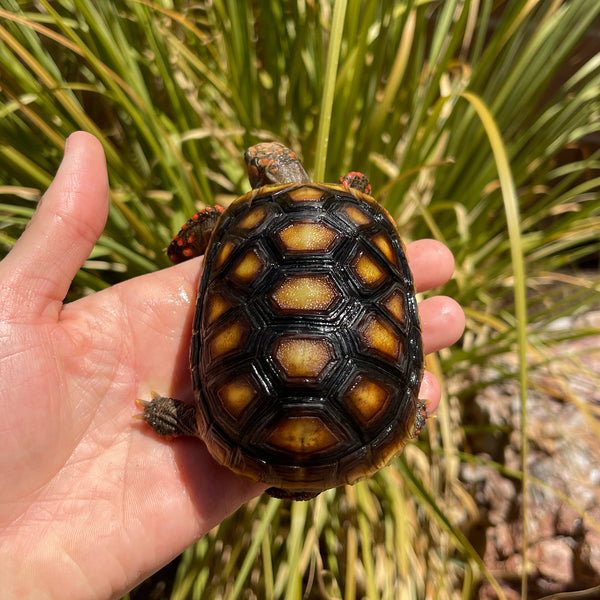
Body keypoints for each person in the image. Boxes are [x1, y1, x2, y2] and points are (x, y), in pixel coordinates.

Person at [0, 132, 465, 599]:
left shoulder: (234, 219)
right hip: (360, 425)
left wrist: (186, 248)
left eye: (257, 164)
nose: (253, 165)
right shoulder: (356, 201)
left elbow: (197, 237)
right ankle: (394, 417)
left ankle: (196, 420)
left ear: (261, 174)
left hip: (243, 418)